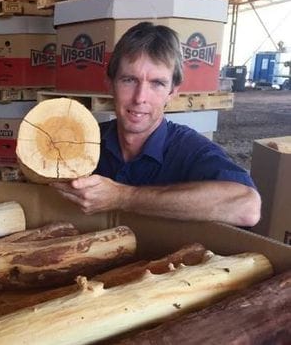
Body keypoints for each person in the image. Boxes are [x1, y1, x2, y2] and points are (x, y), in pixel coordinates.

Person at [51, 22, 260, 227]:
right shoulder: (86, 141)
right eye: (129, 80)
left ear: (172, 92)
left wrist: (123, 197)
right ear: (110, 84)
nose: (140, 97)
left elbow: (247, 207)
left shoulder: (190, 150)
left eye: (157, 84)